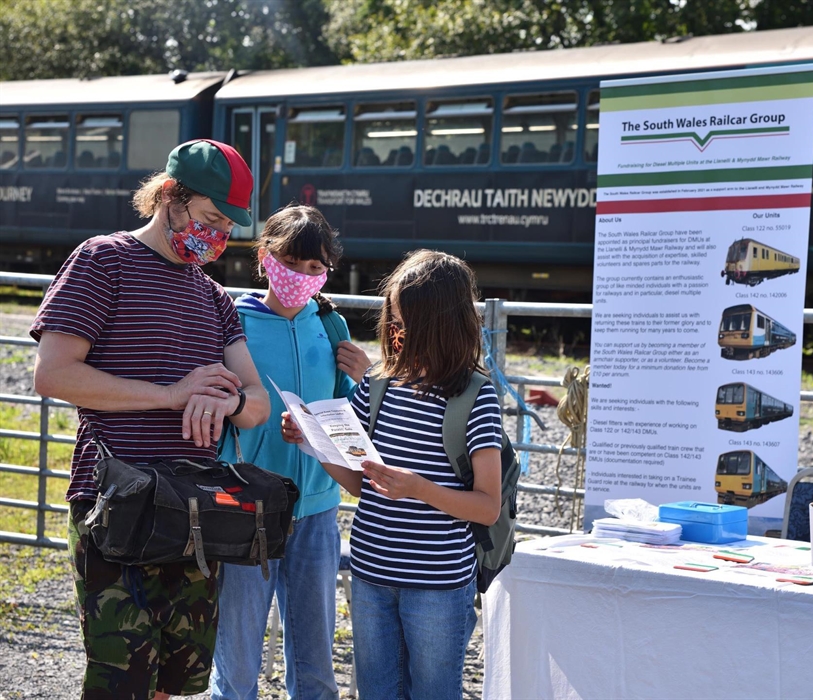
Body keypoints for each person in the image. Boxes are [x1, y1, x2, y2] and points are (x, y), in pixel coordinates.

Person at [31, 139, 271, 700]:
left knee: (172, 683)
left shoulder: (214, 296)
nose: (219, 235)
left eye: (228, 225)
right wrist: (172, 396)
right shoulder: (102, 261)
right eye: (211, 218)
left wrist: (229, 404)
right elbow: (53, 375)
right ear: (169, 196)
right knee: (121, 682)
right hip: (118, 506)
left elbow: (258, 403)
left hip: (194, 514)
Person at [282, 249, 503, 700]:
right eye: (394, 321)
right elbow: (361, 483)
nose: (396, 333)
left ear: (441, 323)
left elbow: (487, 507)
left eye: (406, 323)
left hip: (438, 586)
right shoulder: (378, 382)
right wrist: (312, 442)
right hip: (370, 575)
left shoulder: (475, 396)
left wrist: (419, 488)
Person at [209, 205, 370, 700]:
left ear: (328, 270)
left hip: (317, 509)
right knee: (236, 667)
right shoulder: (232, 321)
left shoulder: (332, 326)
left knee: (316, 667)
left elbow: (350, 414)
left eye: (314, 266)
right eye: (291, 262)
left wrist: (365, 378)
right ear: (265, 257)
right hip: (244, 507)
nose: (301, 275)